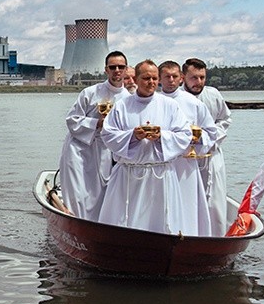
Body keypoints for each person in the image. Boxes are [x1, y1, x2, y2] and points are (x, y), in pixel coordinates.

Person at [99, 60, 192, 234]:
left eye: (154, 78)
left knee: (162, 224)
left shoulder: (170, 105)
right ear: (136, 78)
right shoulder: (122, 105)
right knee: (125, 224)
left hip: (160, 174)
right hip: (128, 174)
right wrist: (132, 136)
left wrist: (161, 137)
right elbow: (107, 134)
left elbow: (185, 135)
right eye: (146, 78)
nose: (151, 82)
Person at [57, 50, 131, 220]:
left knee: (99, 194)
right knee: (77, 193)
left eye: (121, 67)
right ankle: (74, 224)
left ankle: (97, 227)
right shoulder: (90, 93)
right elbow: (72, 120)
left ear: (126, 69)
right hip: (79, 150)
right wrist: (96, 123)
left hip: (105, 151)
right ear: (106, 69)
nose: (117, 70)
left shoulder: (128, 99)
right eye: (113, 67)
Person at [158, 60, 218, 235]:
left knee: (188, 202)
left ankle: (190, 235)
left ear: (181, 78)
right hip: (159, 163)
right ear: (159, 79)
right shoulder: (153, 101)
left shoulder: (193, 103)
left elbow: (211, 131)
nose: (171, 80)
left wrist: (198, 139)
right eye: (166, 77)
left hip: (185, 163)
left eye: (174, 76)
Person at [182, 57, 232, 236]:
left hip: (212, 156)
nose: (199, 82)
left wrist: (209, 138)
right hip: (185, 158)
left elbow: (225, 119)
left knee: (215, 201)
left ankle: (215, 238)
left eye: (202, 77)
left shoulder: (213, 94)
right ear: (183, 77)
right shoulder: (175, 98)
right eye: (194, 78)